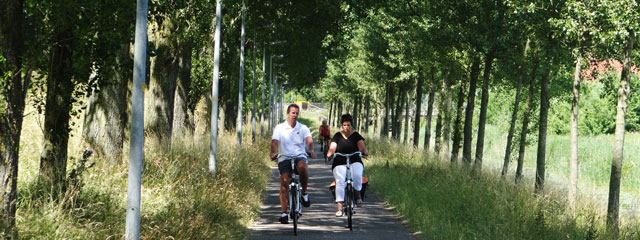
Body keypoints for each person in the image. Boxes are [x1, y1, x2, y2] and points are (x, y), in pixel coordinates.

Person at [270, 104, 317, 224]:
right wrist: (273, 152)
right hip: (284, 157)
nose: (295, 115)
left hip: (299, 155)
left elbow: (309, 141)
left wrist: (311, 150)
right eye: (293, 113)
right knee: (284, 181)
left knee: (302, 167)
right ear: (288, 113)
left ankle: (304, 193)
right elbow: (275, 142)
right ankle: (284, 213)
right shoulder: (280, 128)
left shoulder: (303, 128)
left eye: (297, 113)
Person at [326, 114, 369, 217]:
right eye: (345, 125)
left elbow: (362, 148)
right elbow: (332, 147)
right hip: (340, 161)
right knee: (340, 181)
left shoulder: (356, 136)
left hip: (355, 160)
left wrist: (364, 152)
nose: (347, 127)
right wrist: (330, 153)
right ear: (342, 125)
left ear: (351, 125)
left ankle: (358, 196)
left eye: (349, 125)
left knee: (357, 176)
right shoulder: (337, 136)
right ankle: (340, 208)